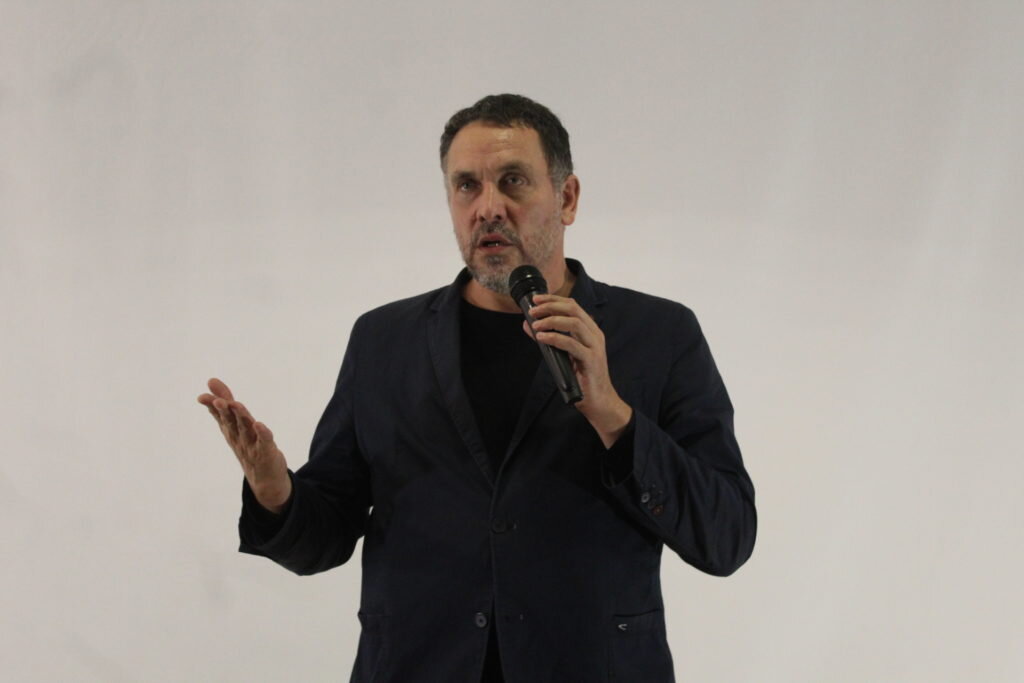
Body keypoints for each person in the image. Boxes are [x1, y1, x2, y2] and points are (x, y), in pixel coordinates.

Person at [198, 94, 756, 682]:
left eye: (513, 181)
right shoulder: (384, 340)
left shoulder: (660, 335)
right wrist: (277, 494)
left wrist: (615, 417)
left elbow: (726, 538)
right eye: (467, 186)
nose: (488, 208)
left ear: (566, 198)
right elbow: (326, 537)